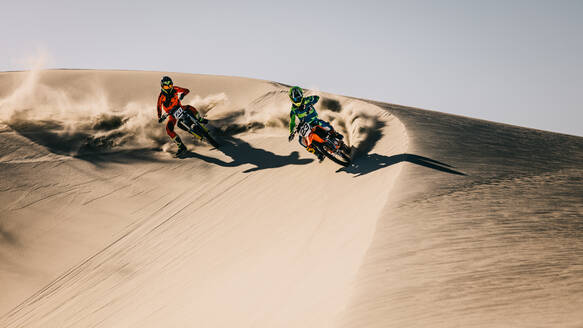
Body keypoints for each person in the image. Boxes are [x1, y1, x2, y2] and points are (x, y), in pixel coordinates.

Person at [287, 86, 342, 161]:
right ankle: (318, 154)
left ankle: (335, 133)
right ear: (292, 98)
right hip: (305, 125)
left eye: (299, 97)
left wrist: (308, 104)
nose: (298, 99)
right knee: (301, 141)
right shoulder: (293, 110)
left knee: (324, 125)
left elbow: (317, 98)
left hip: (314, 120)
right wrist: (291, 133)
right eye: (296, 98)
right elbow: (292, 122)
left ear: (302, 96)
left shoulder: (307, 100)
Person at [157, 76, 207, 155]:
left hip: (180, 107)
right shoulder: (161, 96)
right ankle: (181, 146)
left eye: (170, 85)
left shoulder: (175, 89)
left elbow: (187, 90)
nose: (169, 87)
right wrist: (160, 117)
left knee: (191, 108)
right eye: (166, 86)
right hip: (171, 114)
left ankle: (199, 119)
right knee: (169, 130)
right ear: (162, 86)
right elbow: (158, 106)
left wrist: (183, 94)